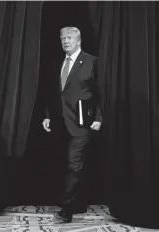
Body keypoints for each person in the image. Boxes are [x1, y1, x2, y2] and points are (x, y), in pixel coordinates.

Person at [41, 26, 103, 223]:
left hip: (83, 123)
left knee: (74, 163)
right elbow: (54, 93)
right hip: (60, 122)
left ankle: (66, 210)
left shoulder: (92, 62)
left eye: (69, 38)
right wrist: (48, 115)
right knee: (71, 166)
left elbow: (101, 92)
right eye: (62, 39)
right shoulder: (56, 63)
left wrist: (99, 118)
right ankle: (78, 203)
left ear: (78, 40)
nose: (65, 41)